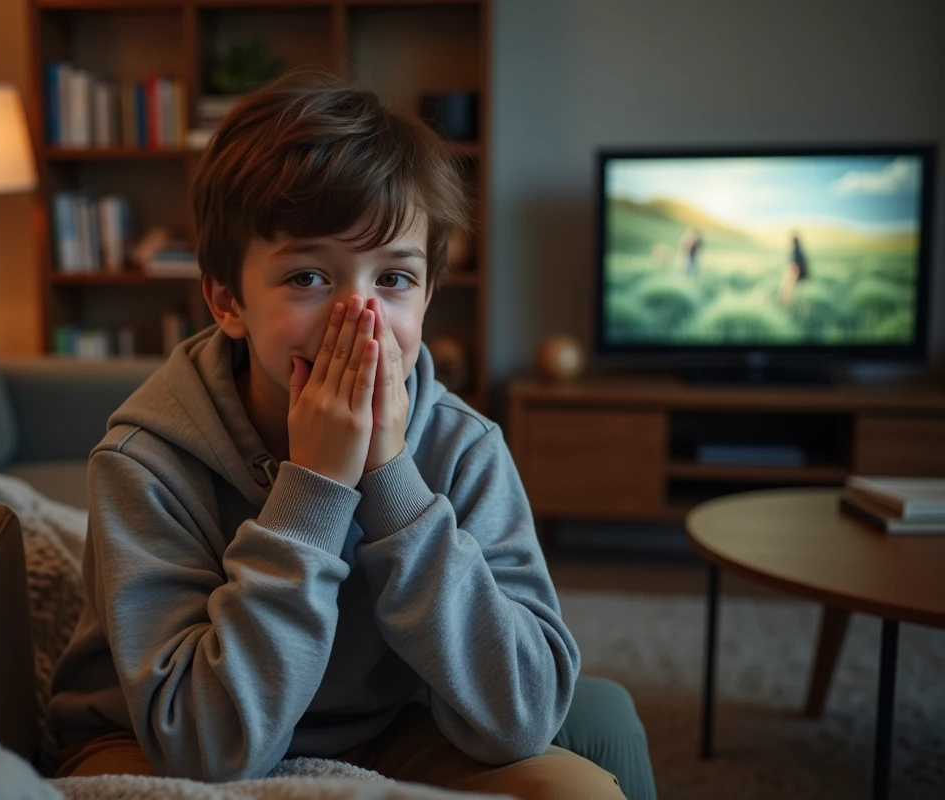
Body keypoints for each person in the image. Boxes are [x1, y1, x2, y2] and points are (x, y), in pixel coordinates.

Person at [46, 70, 627, 800]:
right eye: (309, 278)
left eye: (393, 280)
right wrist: (313, 493)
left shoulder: (465, 447)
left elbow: (523, 714)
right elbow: (201, 747)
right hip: (152, 743)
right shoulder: (147, 463)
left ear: (428, 294)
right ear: (228, 300)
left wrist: (391, 479)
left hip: (388, 730)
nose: (361, 319)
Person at [780, 232, 809, 307]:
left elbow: (795, 267)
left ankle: (787, 305)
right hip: (803, 274)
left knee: (788, 289)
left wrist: (790, 278)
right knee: (801, 293)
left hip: (797, 273)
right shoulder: (800, 249)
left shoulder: (795, 251)